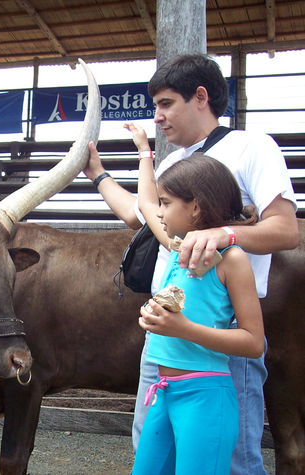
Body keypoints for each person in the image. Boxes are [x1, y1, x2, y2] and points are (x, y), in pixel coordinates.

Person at [83, 54, 298, 474]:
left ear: (200, 97)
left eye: (165, 104)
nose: (158, 116)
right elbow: (138, 214)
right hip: (163, 342)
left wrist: (225, 234)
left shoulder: (253, 146)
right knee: (153, 448)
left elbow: (286, 231)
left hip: (223, 332)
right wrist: (98, 175)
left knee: (232, 459)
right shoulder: (171, 163)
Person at [132, 149, 265, 474]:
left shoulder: (232, 259)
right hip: (163, 393)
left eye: (166, 203)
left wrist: (181, 328)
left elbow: (254, 342)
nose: (159, 213)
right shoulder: (177, 252)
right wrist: (142, 154)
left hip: (205, 398)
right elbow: (145, 204)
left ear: (195, 206)